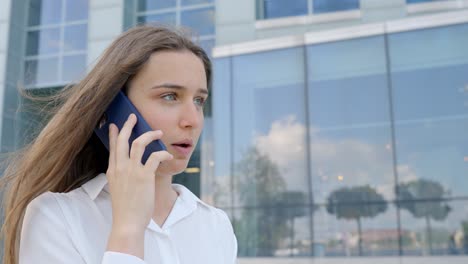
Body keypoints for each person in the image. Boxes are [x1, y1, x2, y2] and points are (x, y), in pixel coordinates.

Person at [1, 25, 237, 264]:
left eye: (199, 100)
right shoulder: (56, 217)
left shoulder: (216, 224)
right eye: (169, 96)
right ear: (115, 109)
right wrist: (128, 230)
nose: (193, 121)